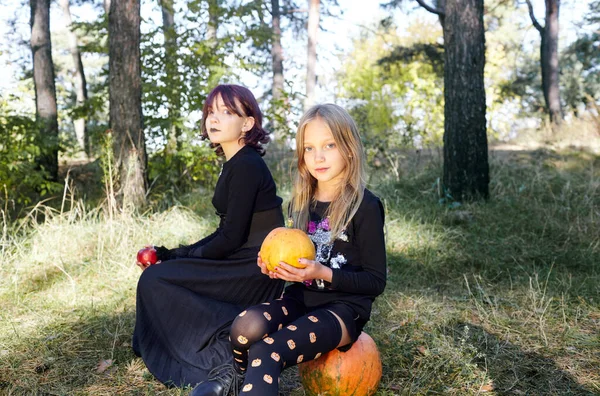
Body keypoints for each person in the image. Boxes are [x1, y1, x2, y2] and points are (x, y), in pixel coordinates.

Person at [191, 103, 387, 396]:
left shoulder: (365, 206)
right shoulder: (301, 204)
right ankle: (239, 379)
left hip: (343, 310)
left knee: (268, 352)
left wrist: (324, 272)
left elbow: (375, 281)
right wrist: (274, 267)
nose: (317, 156)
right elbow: (295, 261)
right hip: (300, 300)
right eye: (309, 148)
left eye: (329, 145)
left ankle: (254, 380)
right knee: (244, 326)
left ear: (348, 148)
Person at [132, 84, 286, 388]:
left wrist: (184, 258)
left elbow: (230, 238)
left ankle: (223, 355)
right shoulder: (235, 163)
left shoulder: (247, 165)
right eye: (210, 112)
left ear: (247, 123)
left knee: (156, 280)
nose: (213, 119)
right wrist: (173, 254)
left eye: (226, 112)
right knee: (161, 274)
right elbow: (226, 231)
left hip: (253, 268)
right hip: (241, 256)